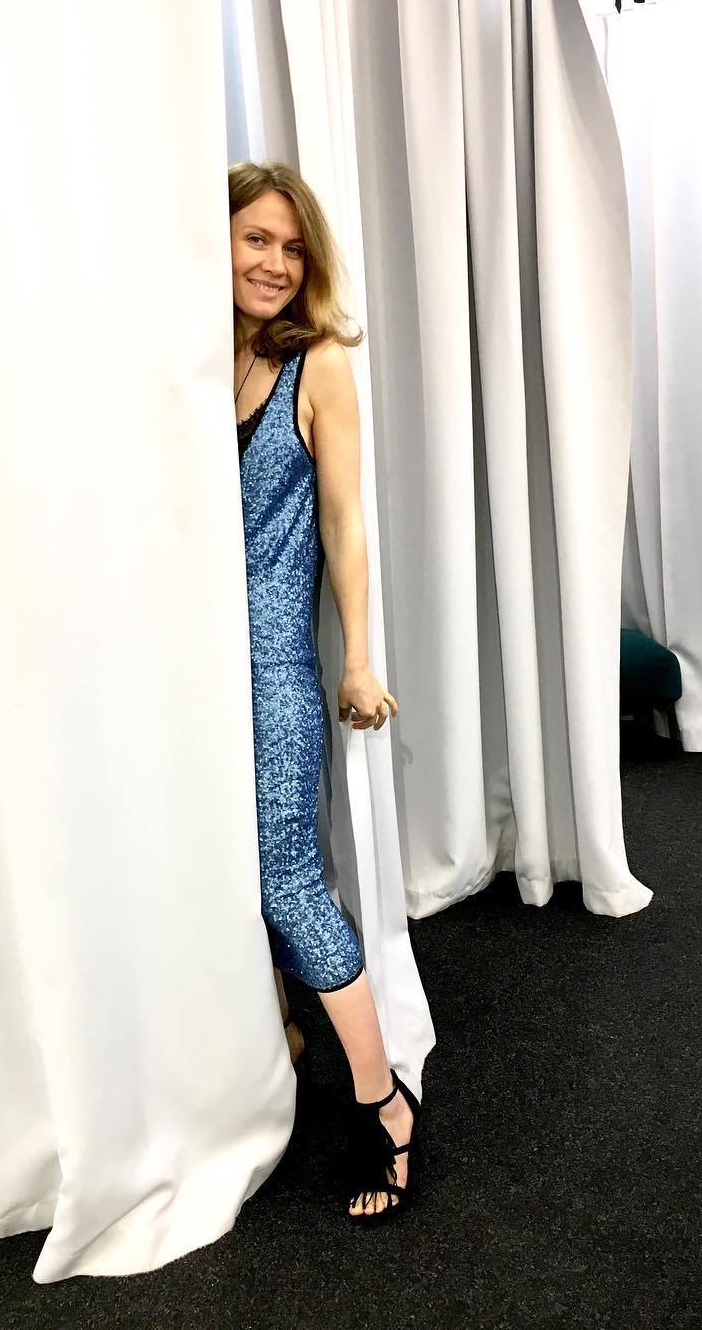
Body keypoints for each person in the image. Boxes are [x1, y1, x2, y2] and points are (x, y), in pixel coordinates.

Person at [230, 160, 423, 1223]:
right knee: (217, 873)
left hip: (271, 666)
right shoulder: (195, 358)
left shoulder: (320, 364)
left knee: (288, 880)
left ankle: (383, 1100)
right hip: (184, 678)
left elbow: (345, 520)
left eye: (293, 247)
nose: (275, 262)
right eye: (256, 238)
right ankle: (279, 1037)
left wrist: (357, 659)